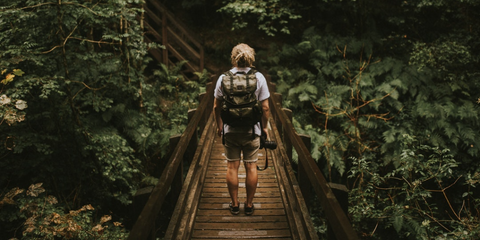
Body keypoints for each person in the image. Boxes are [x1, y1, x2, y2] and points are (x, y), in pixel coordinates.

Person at [213, 43, 270, 215]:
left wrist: (219, 125)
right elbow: (265, 107)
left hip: (230, 130)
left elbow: (216, 106)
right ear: (251, 58)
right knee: (251, 166)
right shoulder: (259, 77)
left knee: (232, 166)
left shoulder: (224, 78)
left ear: (233, 58)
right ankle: (250, 205)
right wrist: (265, 127)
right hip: (252, 130)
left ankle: (235, 204)